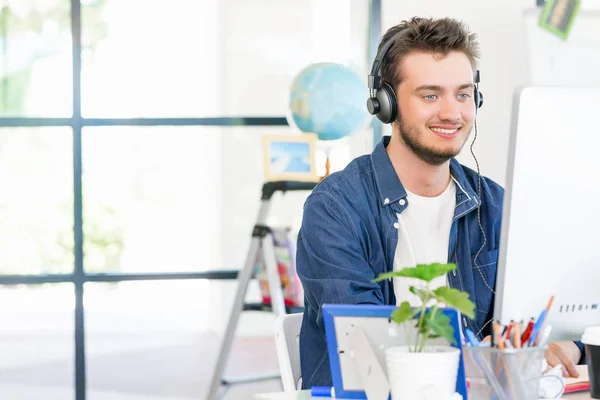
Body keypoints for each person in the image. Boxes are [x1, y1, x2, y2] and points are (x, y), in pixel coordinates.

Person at [295, 16, 584, 388]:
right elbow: (366, 344)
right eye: (430, 95)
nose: (452, 112)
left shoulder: (496, 206)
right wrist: (485, 360)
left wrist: (568, 345)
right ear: (387, 103)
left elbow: (561, 308)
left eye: (463, 94)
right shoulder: (335, 208)